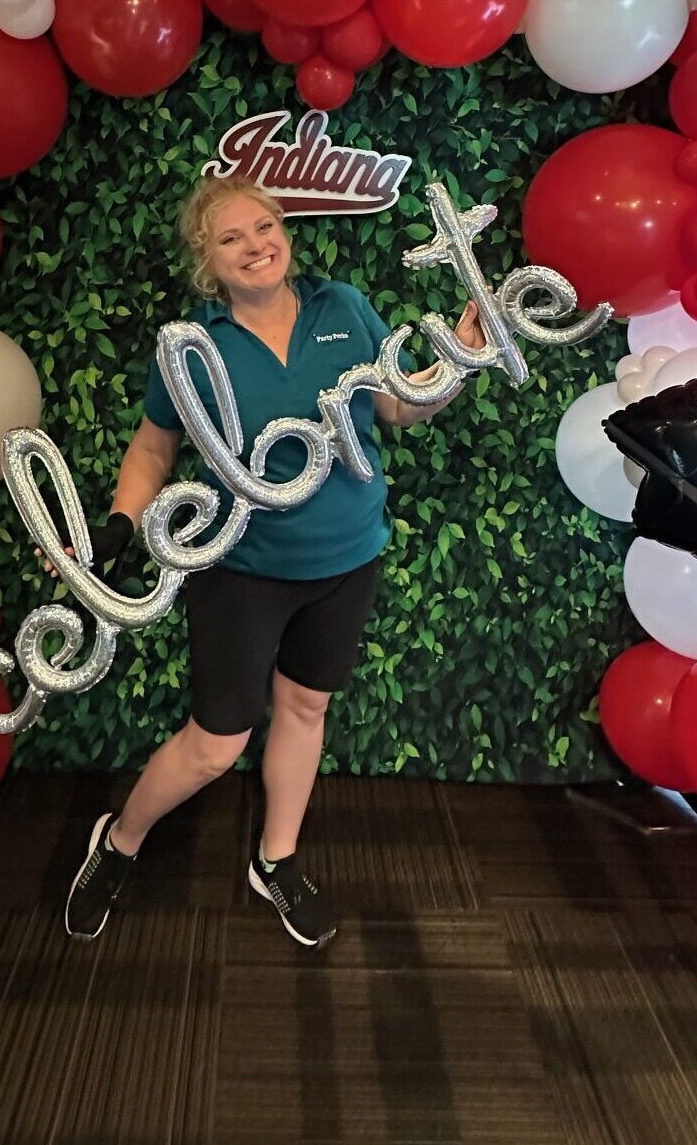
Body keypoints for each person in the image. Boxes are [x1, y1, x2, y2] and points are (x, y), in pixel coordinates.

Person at [59, 175, 484, 948]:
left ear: (284, 231)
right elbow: (153, 448)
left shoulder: (342, 306)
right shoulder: (192, 345)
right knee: (216, 743)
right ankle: (118, 841)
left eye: (265, 227)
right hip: (242, 568)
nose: (256, 245)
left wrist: (460, 358)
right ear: (208, 261)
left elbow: (398, 406)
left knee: (305, 708)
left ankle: (275, 858)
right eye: (232, 237)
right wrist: (119, 526)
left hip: (348, 558)